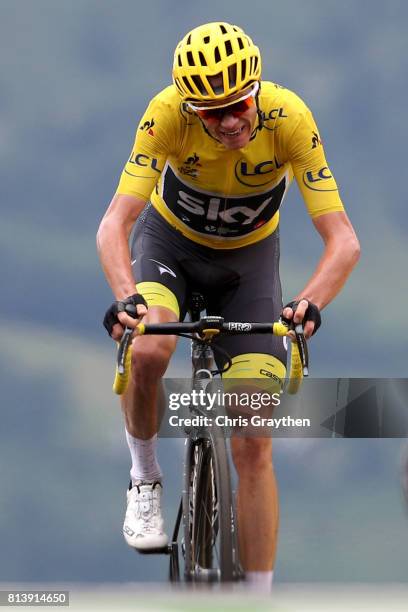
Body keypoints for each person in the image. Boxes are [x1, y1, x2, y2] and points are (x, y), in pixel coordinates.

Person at [96, 22, 360, 591]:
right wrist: (127, 299)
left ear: (255, 90)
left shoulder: (290, 119)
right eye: (212, 113)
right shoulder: (166, 114)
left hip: (249, 264)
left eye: (238, 104)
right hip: (169, 248)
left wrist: (310, 302)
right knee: (150, 348)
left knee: (253, 439)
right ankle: (145, 481)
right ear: (191, 110)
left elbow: (344, 241)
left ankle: (257, 597)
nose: (230, 121)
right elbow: (114, 224)